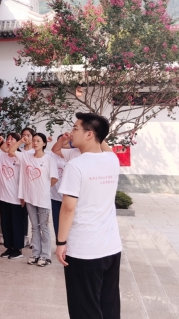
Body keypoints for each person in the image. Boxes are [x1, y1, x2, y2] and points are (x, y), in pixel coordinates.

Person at [55, 113, 122, 319]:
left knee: (84, 308)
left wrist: (61, 242)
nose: (71, 132)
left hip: (84, 250)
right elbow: (103, 145)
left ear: (89, 134)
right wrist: (100, 131)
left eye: (76, 128)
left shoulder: (76, 166)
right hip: (111, 248)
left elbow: (68, 208)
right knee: (109, 305)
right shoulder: (112, 159)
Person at [9, 133, 58, 267]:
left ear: (44, 143)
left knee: (44, 227)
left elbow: (54, 178)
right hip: (30, 197)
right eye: (34, 140)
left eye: (38, 141)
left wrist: (43, 188)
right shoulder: (26, 156)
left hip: (43, 199)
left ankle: (45, 256)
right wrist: (21, 140)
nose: (35, 143)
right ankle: (36, 254)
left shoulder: (49, 159)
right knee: (35, 227)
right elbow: (11, 151)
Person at [0, 132, 27, 259]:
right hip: (3, 196)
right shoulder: (0, 156)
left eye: (12, 139)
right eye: (8, 139)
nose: (9, 141)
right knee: (5, 223)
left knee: (16, 224)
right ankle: (9, 247)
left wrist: (23, 195)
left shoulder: (21, 156)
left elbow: (24, 178)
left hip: (16, 197)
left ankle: (18, 249)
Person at [49, 136, 81, 239]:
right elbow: (54, 149)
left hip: (71, 196)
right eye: (62, 141)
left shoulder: (76, 153)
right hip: (55, 195)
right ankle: (59, 242)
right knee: (57, 222)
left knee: (71, 223)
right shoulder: (54, 155)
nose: (66, 143)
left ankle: (69, 243)